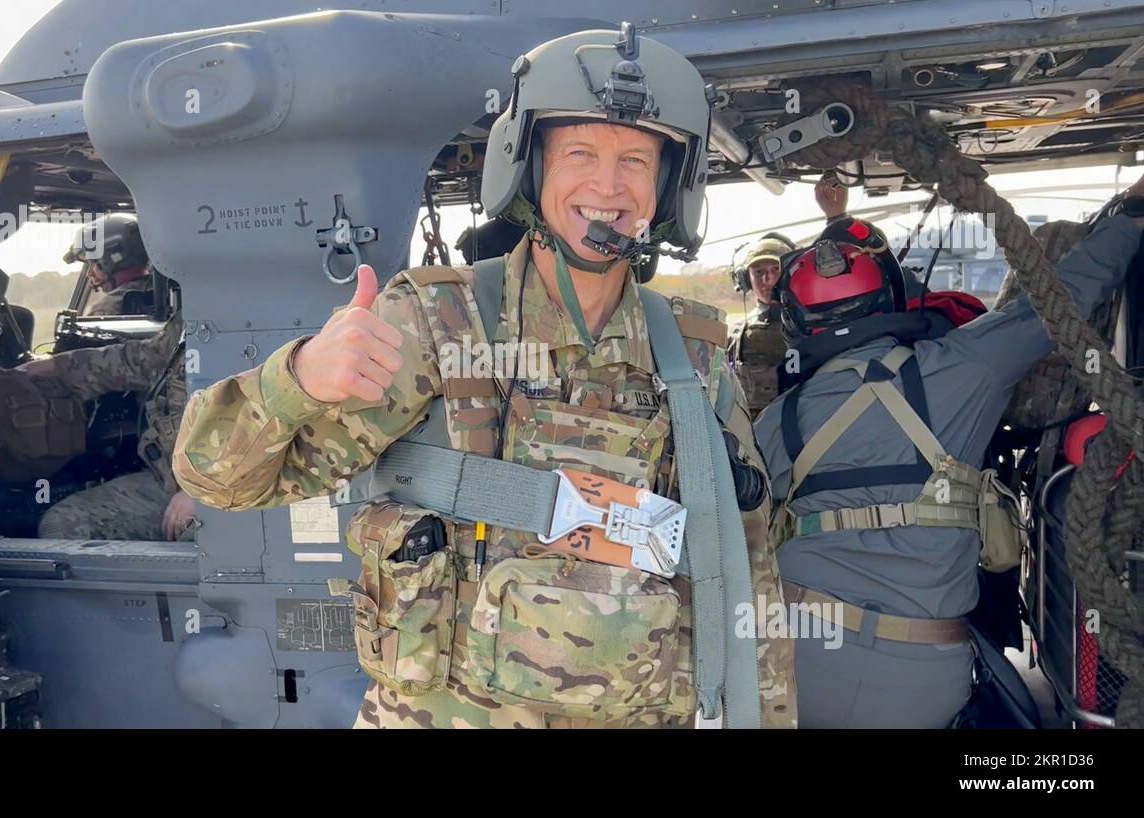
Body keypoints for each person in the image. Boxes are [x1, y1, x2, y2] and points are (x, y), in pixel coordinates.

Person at [174, 26, 796, 729]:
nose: (608, 185)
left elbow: (747, 568)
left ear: (668, 187)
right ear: (527, 169)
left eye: (635, 161)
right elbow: (218, 478)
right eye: (580, 155)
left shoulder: (691, 352)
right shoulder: (439, 322)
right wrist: (299, 381)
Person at [753, 181, 1144, 728]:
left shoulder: (775, 423)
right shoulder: (962, 368)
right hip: (921, 678)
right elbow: (1066, 294)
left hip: (794, 665)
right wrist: (1130, 218)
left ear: (797, 324)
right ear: (892, 293)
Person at [23, 312, 194, 541]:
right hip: (172, 480)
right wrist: (56, 368)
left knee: (204, 547)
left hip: (231, 492)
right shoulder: (196, 314)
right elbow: (144, 360)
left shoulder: (250, 325)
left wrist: (202, 492)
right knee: (64, 525)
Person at [728, 176, 849, 417]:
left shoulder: (813, 322)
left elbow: (841, 273)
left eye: (775, 270)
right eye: (758, 272)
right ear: (745, 280)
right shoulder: (736, 334)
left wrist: (837, 217)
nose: (767, 280)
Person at [64, 213, 154, 316]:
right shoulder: (166, 292)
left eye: (92, 264)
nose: (89, 273)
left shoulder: (107, 309)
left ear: (111, 259)